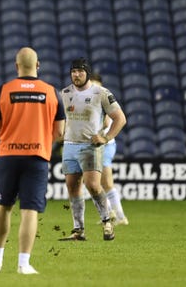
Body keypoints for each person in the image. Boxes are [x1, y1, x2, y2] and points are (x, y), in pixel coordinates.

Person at [0, 47, 66, 275]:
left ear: (16, 66)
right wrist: (39, 139)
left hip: (8, 156)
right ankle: (23, 264)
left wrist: (13, 139)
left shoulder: (4, 90)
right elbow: (59, 132)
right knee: (29, 211)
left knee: (3, 208)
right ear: (38, 65)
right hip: (37, 157)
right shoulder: (51, 92)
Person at [59, 58, 127, 242]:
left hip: (90, 146)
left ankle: (107, 221)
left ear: (87, 73)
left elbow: (120, 118)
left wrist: (106, 137)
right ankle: (78, 230)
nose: (76, 74)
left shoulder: (101, 93)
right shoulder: (64, 93)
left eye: (80, 71)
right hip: (69, 146)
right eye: (73, 71)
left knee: (93, 185)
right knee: (72, 187)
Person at [89, 73, 128, 225]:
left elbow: (105, 123)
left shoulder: (103, 98)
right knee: (100, 183)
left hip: (105, 144)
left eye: (96, 85)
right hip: (101, 145)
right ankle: (113, 215)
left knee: (104, 182)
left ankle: (117, 216)